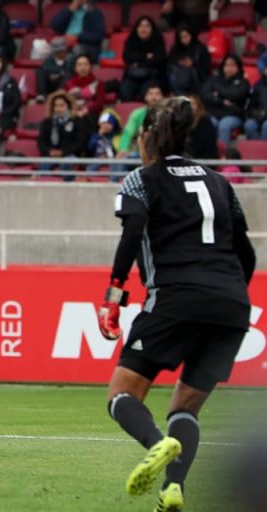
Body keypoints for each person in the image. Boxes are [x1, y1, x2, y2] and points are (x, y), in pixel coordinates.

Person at [99, 97, 255, 512]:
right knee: (185, 406)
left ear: (148, 136)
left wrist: (112, 298)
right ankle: (173, 490)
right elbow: (248, 254)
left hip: (175, 297)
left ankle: (157, 444)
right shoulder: (220, 182)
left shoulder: (141, 179)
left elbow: (131, 234)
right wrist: (228, 294)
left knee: (121, 394)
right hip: (233, 305)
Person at [201, 54, 250, 146]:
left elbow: (237, 95)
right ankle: (207, 154)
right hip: (214, 113)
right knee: (207, 123)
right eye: (227, 65)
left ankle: (223, 156)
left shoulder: (243, 82)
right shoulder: (213, 80)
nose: (229, 68)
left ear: (238, 67)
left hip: (233, 114)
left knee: (224, 125)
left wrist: (217, 94)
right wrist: (222, 101)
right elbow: (205, 95)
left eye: (232, 65)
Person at [37, 90, 86, 181]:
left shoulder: (77, 121)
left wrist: (63, 152)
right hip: (51, 154)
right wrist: (50, 151)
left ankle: (67, 188)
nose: (58, 108)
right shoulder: (48, 122)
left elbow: (80, 142)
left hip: (70, 154)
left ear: (68, 106)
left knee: (66, 163)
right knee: (44, 164)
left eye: (62, 105)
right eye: (56, 106)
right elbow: (41, 141)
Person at [120, 16, 167, 102]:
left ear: (152, 28)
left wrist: (138, 63)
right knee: (125, 92)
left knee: (148, 95)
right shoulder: (131, 40)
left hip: (152, 76)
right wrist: (145, 56)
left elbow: (158, 59)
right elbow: (127, 57)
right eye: (140, 26)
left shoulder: (158, 40)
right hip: (132, 75)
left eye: (147, 26)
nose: (143, 29)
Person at [167, 23, 211, 96]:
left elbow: (206, 68)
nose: (184, 39)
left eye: (186, 36)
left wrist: (193, 64)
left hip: (196, 82)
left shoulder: (201, 49)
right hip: (178, 81)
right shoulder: (175, 49)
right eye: (181, 37)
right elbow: (170, 62)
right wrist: (179, 63)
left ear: (191, 35)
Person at [64, 53, 105, 125]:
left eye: (86, 64)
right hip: (73, 113)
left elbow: (99, 103)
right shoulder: (68, 84)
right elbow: (65, 101)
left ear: (90, 67)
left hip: (91, 115)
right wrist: (75, 112)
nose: (83, 67)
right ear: (75, 68)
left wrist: (85, 110)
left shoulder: (98, 83)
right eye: (79, 65)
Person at [185, 94, 218, 160]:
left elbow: (202, 142)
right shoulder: (184, 120)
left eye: (193, 104)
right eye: (188, 104)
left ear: (198, 106)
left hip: (205, 157)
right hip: (189, 157)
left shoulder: (204, 120)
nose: (190, 107)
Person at [244, 65, 267, 141]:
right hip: (259, 116)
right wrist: (255, 115)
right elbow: (251, 105)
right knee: (249, 125)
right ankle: (256, 148)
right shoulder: (258, 85)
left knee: (266, 126)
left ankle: (263, 151)